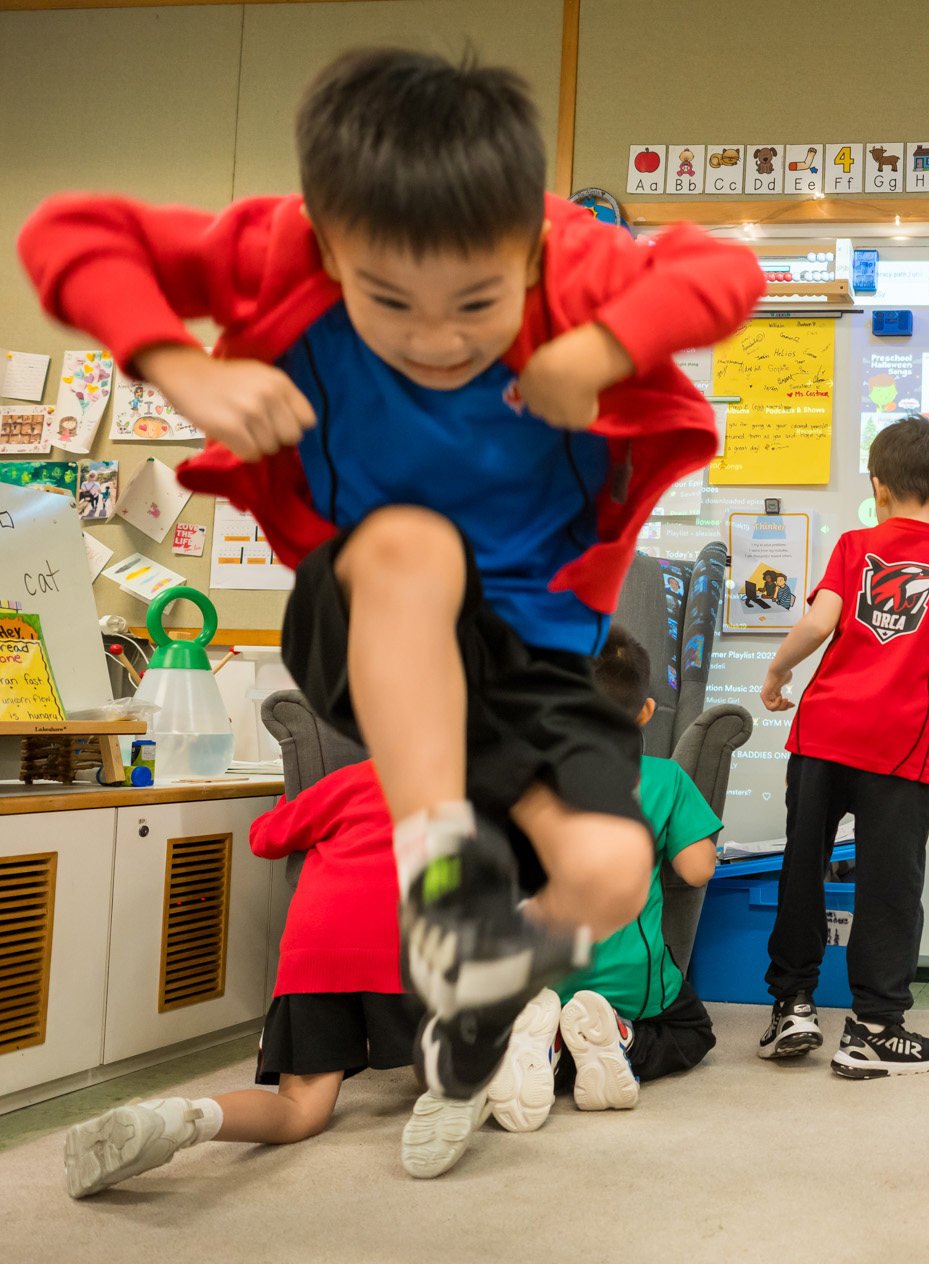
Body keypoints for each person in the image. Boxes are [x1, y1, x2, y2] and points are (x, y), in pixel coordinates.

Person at [18, 50, 765, 1112]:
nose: (436, 342)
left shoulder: (570, 257)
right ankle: (446, 883)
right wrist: (183, 366)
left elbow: (720, 274)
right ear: (328, 244)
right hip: (371, 608)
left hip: (531, 656)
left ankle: (479, 984)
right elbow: (71, 234)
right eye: (388, 302)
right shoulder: (281, 247)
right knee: (416, 540)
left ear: (527, 244)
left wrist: (604, 344)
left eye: (475, 302)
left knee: (608, 869)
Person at [757, 416, 929, 1077]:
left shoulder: (853, 545)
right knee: (889, 886)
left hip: (821, 735)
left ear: (876, 486)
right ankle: (873, 1027)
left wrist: (778, 672)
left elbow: (818, 622)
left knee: (801, 868)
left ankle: (793, 1005)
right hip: (898, 754)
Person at [62, 761, 426, 1195]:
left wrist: (288, 804)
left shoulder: (350, 779)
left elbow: (265, 839)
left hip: (316, 952)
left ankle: (178, 1118)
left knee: (300, 1108)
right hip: (407, 951)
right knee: (448, 1074)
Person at [485, 627, 723, 1133]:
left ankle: (541, 1045)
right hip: (632, 983)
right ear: (645, 712)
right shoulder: (665, 780)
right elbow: (697, 870)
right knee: (692, 1031)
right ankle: (620, 1039)